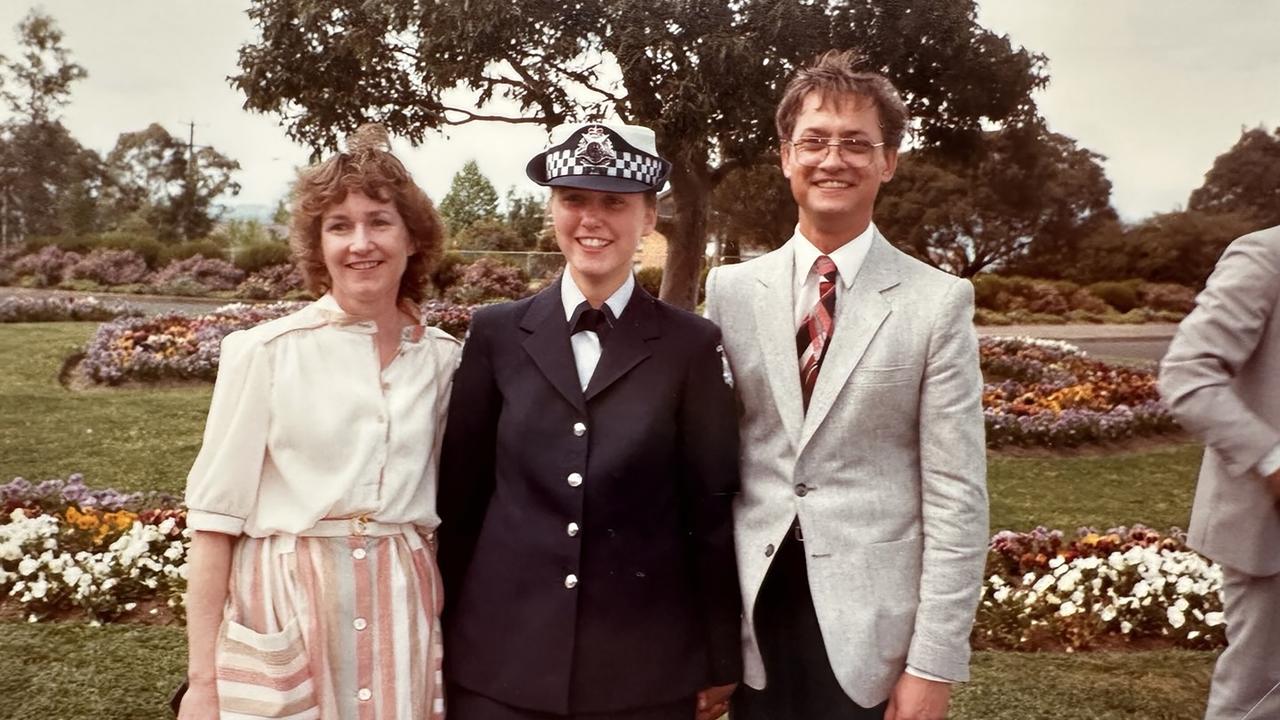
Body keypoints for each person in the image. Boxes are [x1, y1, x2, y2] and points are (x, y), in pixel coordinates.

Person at [704, 50, 989, 720]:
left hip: (872, 634)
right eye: (815, 141)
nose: (834, 159)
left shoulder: (937, 302)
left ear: (887, 162)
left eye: (857, 143)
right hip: (755, 620)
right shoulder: (731, 293)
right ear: (785, 156)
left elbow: (956, 495)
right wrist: (705, 636)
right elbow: (709, 470)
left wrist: (932, 664)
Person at [436, 122, 742, 720]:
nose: (591, 219)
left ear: (650, 217)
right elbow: (461, 501)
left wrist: (717, 656)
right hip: (500, 663)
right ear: (552, 209)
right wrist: (442, 632)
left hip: (641, 672)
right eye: (573, 199)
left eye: (614, 202)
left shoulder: (690, 345)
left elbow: (708, 511)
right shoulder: (496, 333)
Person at [179, 124, 458, 720]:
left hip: (400, 606)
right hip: (287, 606)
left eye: (380, 221)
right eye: (340, 226)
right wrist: (203, 685)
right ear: (318, 244)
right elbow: (212, 524)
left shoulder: (442, 360)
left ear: (412, 239)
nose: (361, 243)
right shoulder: (265, 353)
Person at [1158, 225, 1280, 720]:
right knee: (1257, 704)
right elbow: (1188, 375)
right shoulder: (1267, 255)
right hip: (1272, 535)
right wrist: (1273, 463)